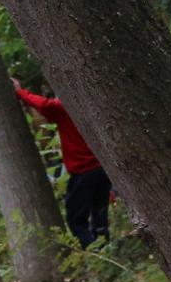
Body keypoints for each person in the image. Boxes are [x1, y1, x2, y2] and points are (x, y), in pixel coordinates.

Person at [14, 77, 109, 247]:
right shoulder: (91, 103)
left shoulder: (66, 107)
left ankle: (94, 250)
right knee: (99, 210)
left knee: (76, 218)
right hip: (102, 168)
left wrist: (20, 92)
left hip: (84, 171)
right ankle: (104, 244)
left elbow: (44, 106)